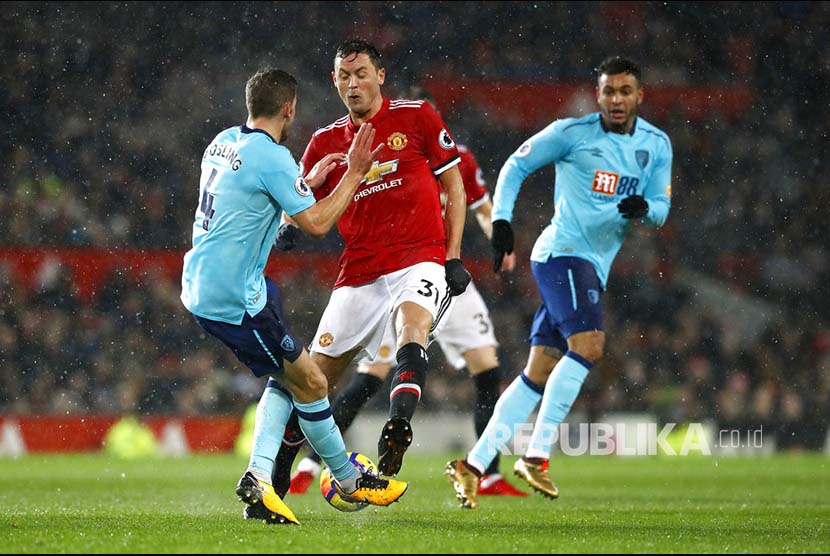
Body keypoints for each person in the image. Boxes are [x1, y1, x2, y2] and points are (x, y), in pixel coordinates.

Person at [180, 67, 407, 525]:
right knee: (312, 383)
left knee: (290, 378)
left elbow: (253, 197)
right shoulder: (273, 157)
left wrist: (306, 179)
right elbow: (319, 224)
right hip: (235, 299)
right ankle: (342, 478)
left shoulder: (222, 141)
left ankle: (264, 477)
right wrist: (354, 174)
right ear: (290, 108)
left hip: (208, 283)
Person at [447, 56, 672, 509]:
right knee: (589, 346)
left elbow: (661, 209)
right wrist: (504, 221)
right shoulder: (572, 133)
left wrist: (642, 210)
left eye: (625, 91)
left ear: (639, 96)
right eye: (608, 91)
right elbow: (514, 166)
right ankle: (537, 455)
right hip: (562, 255)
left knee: (540, 370)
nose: (616, 100)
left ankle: (473, 464)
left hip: (593, 266)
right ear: (599, 93)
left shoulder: (657, 145)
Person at [245, 39, 471, 492]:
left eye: (361, 74)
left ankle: (399, 424)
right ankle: (283, 464)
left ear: (380, 76)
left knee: (414, 327)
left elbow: (455, 186)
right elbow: (299, 200)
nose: (353, 84)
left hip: (420, 257)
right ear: (334, 81)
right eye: (344, 77)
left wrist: (453, 257)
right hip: (359, 274)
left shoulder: (417, 116)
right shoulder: (324, 141)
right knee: (312, 380)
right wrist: (290, 224)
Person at [287, 86, 526, 498]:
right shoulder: (361, 142)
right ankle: (311, 460)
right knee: (364, 376)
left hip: (440, 266)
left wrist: (496, 240)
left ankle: (486, 471)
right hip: (385, 270)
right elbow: (311, 202)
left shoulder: (455, 155)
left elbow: (479, 205)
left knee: (487, 369)